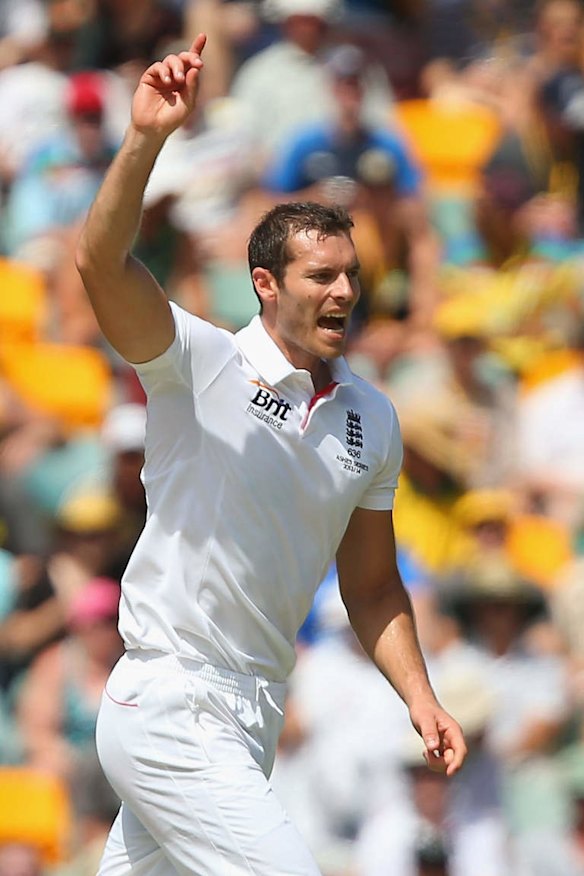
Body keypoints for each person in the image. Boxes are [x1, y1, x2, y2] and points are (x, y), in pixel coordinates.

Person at [75, 33, 466, 876]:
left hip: (252, 716)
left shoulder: (373, 419)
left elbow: (370, 586)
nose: (344, 293)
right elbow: (99, 262)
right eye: (320, 275)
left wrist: (421, 697)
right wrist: (145, 139)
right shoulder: (200, 363)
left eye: (351, 275)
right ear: (265, 284)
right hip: (172, 699)